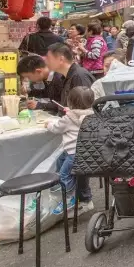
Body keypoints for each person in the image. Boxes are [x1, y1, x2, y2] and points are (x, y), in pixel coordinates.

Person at [46, 86, 95, 215]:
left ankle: (69, 198)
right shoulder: (91, 115)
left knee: (64, 174)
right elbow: (78, 115)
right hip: (87, 152)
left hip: (73, 153)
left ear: (70, 102)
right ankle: (82, 198)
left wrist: (48, 124)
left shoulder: (68, 119)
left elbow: (56, 128)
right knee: (63, 164)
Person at [46, 43, 95, 108]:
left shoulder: (79, 76)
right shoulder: (65, 76)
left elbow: (85, 109)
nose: (46, 62)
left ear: (61, 59)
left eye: (49, 59)